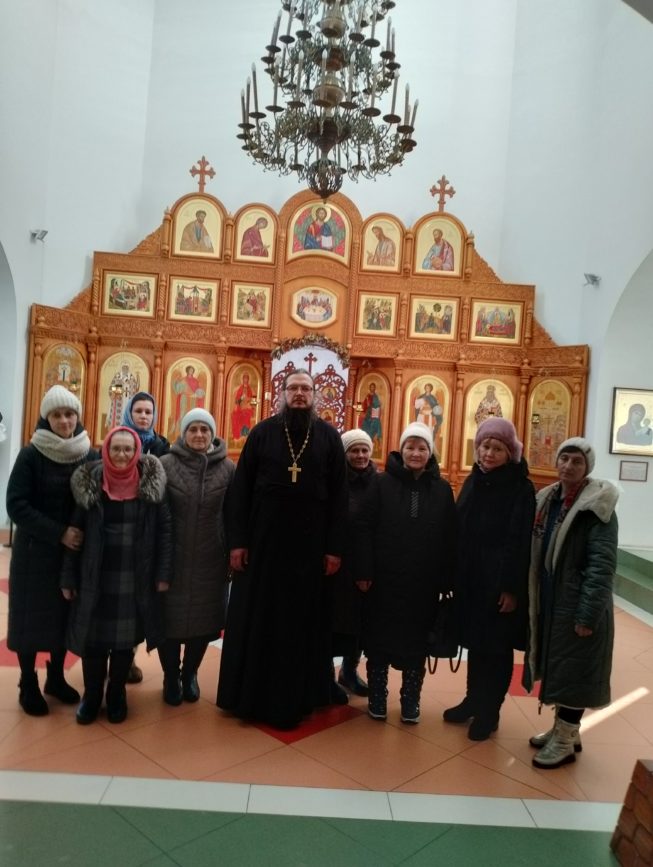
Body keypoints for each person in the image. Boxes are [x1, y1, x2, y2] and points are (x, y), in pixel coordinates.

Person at [217, 369, 348, 729]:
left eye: (306, 388)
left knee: (301, 623)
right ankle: (251, 697)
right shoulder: (261, 434)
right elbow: (240, 492)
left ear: (314, 395)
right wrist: (238, 543)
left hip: (310, 550)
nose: (299, 394)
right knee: (260, 619)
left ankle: (300, 697)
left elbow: (340, 499)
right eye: (293, 388)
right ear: (283, 394)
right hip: (263, 548)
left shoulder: (328, 438)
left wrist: (334, 549)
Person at [60, 427, 172, 725]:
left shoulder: (150, 485)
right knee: (93, 641)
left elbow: (165, 531)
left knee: (124, 642)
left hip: (135, 576)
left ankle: (116, 693)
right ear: (106, 451)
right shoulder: (91, 483)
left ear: (136, 452)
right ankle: (92, 695)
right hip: (95, 574)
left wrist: (162, 573)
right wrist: (68, 578)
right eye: (116, 449)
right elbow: (75, 533)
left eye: (127, 449)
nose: (121, 455)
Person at [523, 437, 619, 768]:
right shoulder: (548, 499)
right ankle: (562, 729)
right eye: (564, 458)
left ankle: (564, 740)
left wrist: (587, 614)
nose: (568, 466)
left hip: (578, 603)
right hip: (553, 599)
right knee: (561, 666)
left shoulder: (597, 507)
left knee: (576, 669)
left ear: (587, 466)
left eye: (577, 461)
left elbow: (601, 566)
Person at [6, 385, 96, 716]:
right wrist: (60, 533)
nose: (64, 421)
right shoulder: (31, 454)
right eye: (56, 415)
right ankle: (28, 682)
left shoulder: (89, 454)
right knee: (29, 620)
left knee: (63, 617)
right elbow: (16, 504)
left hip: (72, 555)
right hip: (34, 553)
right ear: (46, 418)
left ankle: (55, 678)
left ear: (78, 416)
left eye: (69, 414)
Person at [443, 418, 535, 740]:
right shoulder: (474, 480)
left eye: (498, 448)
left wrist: (511, 588)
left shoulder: (520, 488)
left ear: (510, 452)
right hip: (471, 579)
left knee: (496, 648)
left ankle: (489, 711)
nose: (489, 453)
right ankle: (473, 700)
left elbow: (519, 541)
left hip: (498, 583)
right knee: (475, 643)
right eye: (485, 446)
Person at [361, 422, 457, 724]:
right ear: (401, 450)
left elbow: (449, 537)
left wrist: (447, 579)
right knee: (379, 640)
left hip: (423, 582)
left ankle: (410, 699)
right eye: (410, 447)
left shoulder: (442, 490)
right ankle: (377, 695)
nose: (416, 453)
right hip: (384, 579)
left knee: (417, 642)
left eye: (422, 448)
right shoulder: (381, 483)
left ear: (430, 452)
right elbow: (365, 528)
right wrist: (364, 570)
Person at [158, 409, 234, 705]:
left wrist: (231, 550)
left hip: (211, 559)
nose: (199, 434)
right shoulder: (165, 464)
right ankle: (170, 676)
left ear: (212, 434)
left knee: (204, 622)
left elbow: (233, 514)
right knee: (168, 622)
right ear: (183, 433)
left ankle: (189, 673)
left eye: (205, 429)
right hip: (172, 558)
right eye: (193, 429)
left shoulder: (227, 468)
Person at [121, 390, 170, 683]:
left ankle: (128, 659)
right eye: (138, 411)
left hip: (148, 533)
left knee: (140, 602)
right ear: (129, 413)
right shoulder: (118, 441)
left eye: (148, 412)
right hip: (119, 530)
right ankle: (114, 656)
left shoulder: (162, 447)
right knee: (117, 601)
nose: (143, 416)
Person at [333, 429, 378, 698]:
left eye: (364, 450)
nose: (360, 456)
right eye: (354, 450)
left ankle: (349, 671)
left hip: (365, 565)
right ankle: (325, 676)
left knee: (360, 623)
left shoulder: (378, 482)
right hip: (337, 564)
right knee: (333, 621)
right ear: (344, 453)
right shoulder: (335, 480)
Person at [230, 373, 255, 441]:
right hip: (240, 407)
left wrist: (248, 400)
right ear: (243, 379)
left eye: (246, 379)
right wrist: (241, 398)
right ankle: (238, 435)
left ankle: (245, 434)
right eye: (244, 379)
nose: (245, 380)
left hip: (248, 408)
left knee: (245, 415)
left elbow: (253, 401)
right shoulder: (240, 389)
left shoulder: (250, 389)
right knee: (234, 415)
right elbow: (236, 401)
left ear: (248, 380)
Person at [360, 382, 382, 447]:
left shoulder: (376, 396)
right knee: (364, 425)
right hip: (368, 413)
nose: (372, 388)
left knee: (376, 425)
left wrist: (372, 405)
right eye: (371, 387)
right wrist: (366, 406)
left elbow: (377, 404)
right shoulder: (367, 396)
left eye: (373, 387)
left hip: (374, 413)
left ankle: (376, 441)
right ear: (370, 388)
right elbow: (364, 405)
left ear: (374, 388)